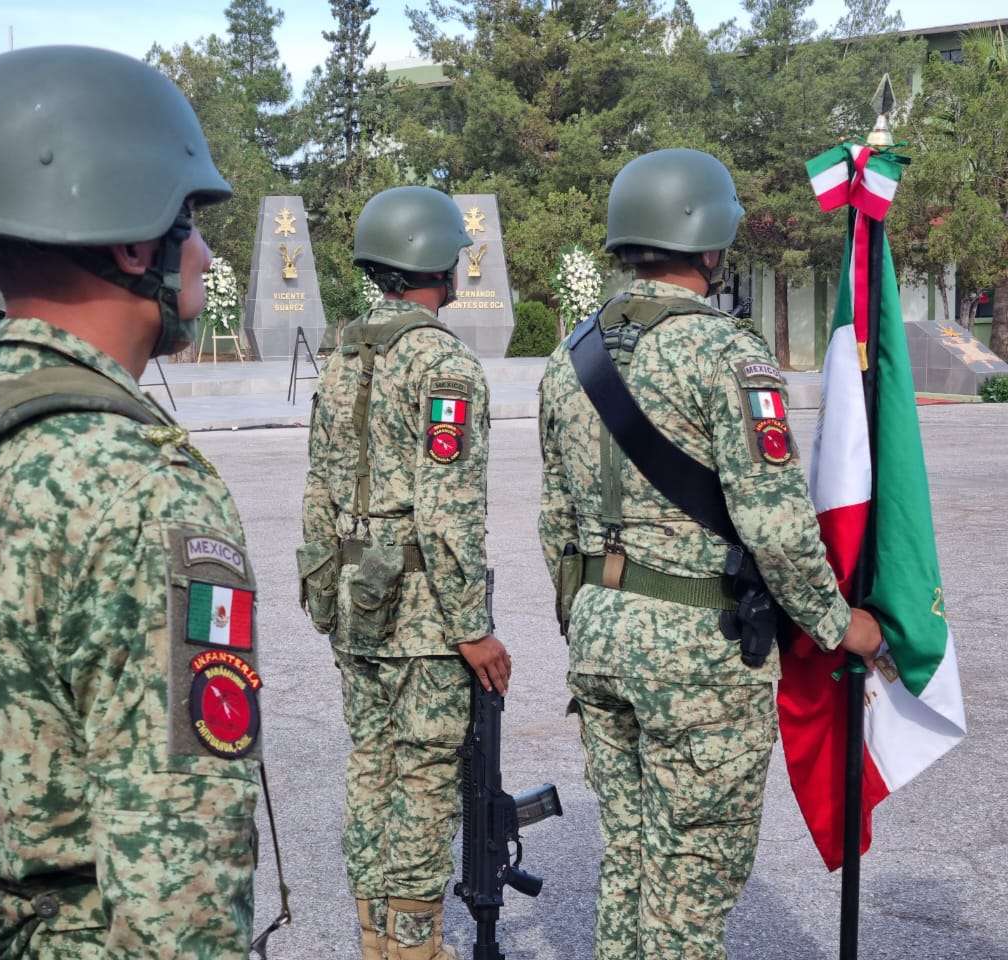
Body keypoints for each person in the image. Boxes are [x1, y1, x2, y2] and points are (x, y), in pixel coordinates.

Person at [0, 45, 262, 958]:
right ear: (129, 240)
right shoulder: (146, 490)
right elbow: (180, 871)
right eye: (188, 218)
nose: (201, 249)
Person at [536, 148, 883, 959]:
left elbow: (555, 518)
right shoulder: (728, 354)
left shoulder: (569, 356)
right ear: (709, 241)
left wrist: (589, 618)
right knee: (691, 885)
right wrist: (841, 626)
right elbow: (776, 524)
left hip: (599, 633)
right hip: (697, 650)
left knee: (628, 859)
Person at [299, 185, 511, 960]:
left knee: (371, 765)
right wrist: (474, 629)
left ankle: (375, 940)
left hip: (358, 599)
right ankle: (415, 949)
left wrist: (325, 597)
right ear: (433, 263)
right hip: (424, 613)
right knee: (422, 779)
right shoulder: (442, 364)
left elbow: (318, 488)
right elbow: (449, 512)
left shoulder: (342, 356)